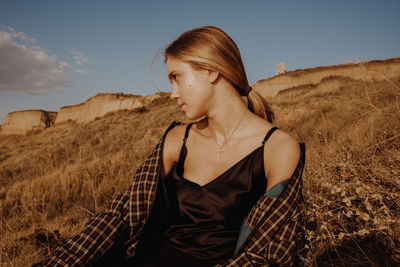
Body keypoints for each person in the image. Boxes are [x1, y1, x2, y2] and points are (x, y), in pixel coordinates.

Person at [37, 26, 305, 266]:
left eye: (176, 77)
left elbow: (268, 255)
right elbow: (123, 214)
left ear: (212, 70)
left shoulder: (278, 147)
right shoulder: (178, 138)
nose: (172, 93)